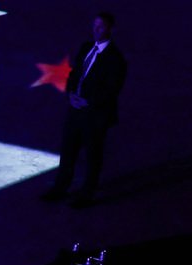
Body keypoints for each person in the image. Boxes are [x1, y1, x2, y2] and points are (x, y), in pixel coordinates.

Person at [41, 12, 128, 207]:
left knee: (92, 155)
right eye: (94, 25)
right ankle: (61, 188)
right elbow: (75, 74)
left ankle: (87, 194)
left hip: (95, 115)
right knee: (68, 150)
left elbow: (112, 90)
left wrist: (87, 102)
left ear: (111, 29)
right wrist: (71, 93)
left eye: (101, 27)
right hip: (75, 109)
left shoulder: (116, 60)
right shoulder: (86, 47)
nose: (96, 30)